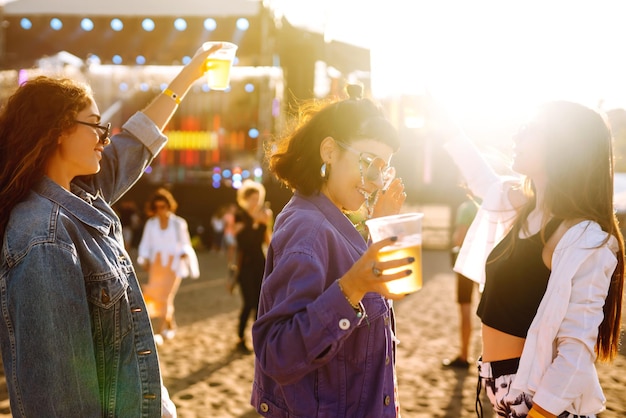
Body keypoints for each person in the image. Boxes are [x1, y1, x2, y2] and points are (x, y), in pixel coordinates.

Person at [0, 42, 224, 417]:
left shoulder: (82, 191)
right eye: (97, 126)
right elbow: (61, 399)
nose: (106, 138)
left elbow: (137, 141)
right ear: (59, 131)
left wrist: (189, 75)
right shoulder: (43, 238)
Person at [443, 101, 625, 418]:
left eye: (531, 129)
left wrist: (539, 413)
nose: (518, 135)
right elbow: (482, 180)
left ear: (565, 147)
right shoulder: (524, 209)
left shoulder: (585, 239)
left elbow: (577, 351)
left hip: (538, 402)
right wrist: (443, 122)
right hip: (502, 387)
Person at [251, 85, 413, 417]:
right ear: (329, 151)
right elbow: (278, 354)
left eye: (384, 170)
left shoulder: (333, 221)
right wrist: (352, 287)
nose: (376, 180)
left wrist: (377, 231)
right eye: (370, 163)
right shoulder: (307, 230)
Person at [138, 187, 199, 344]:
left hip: (173, 265)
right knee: (156, 296)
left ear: (169, 206)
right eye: (157, 207)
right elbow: (145, 244)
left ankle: (159, 331)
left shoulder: (179, 224)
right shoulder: (151, 224)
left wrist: (185, 253)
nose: (160, 210)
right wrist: (143, 259)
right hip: (156, 265)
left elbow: (185, 243)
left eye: (163, 206)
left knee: (165, 296)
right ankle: (171, 326)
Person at [232, 180, 273, 354]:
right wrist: (254, 222)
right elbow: (239, 239)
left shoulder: (264, 215)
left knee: (259, 303)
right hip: (245, 264)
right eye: (252, 198)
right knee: (248, 302)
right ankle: (240, 338)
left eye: (258, 198)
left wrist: (265, 223)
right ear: (245, 199)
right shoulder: (240, 215)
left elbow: (267, 241)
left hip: (260, 263)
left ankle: (259, 339)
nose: (255, 202)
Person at [442, 195, 479, 369]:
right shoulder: (492, 205)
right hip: (489, 263)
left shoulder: (467, 208)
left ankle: (464, 355)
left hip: (467, 263)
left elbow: (459, 238)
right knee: (488, 312)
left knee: (465, 308)